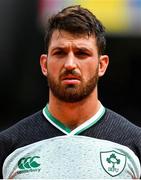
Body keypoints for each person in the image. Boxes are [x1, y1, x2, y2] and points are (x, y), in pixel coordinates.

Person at [0, 5, 141, 179]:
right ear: (44, 64)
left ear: (102, 65)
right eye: (60, 52)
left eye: (82, 53)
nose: (70, 64)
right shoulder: (8, 146)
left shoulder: (135, 144)